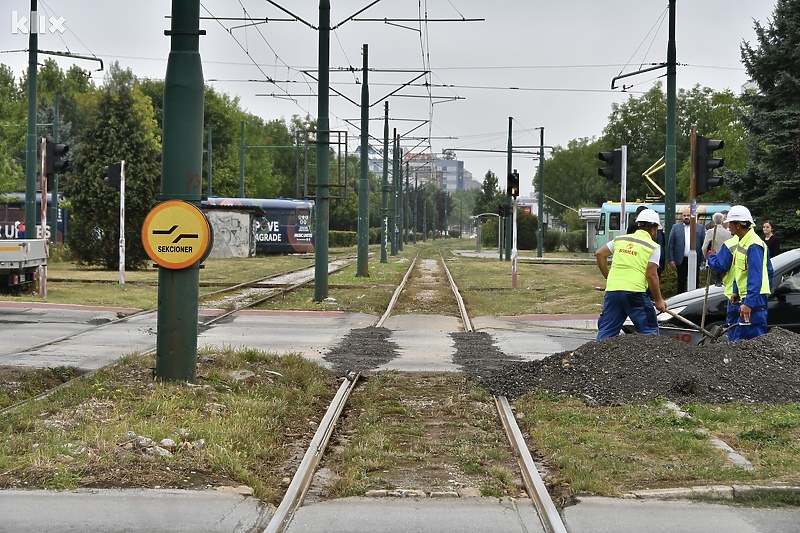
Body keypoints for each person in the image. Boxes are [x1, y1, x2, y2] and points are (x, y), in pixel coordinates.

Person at [595, 208, 667, 340]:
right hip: (635, 293)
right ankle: (653, 358)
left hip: (613, 291)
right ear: (653, 230)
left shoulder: (620, 239)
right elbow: (651, 275)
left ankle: (596, 358)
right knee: (649, 330)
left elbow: (600, 254)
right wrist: (658, 300)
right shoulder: (653, 246)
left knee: (606, 332)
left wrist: (608, 276)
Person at [706, 205, 774, 342]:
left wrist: (748, 303)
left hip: (754, 299)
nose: (728, 226)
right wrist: (736, 291)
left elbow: (755, 277)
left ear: (738, 225)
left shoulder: (753, 245)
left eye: (730, 223)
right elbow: (740, 272)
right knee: (739, 342)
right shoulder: (743, 242)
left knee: (750, 343)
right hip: (747, 297)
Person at [667, 206, 706, 293]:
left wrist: (703, 259)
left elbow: (704, 245)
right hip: (681, 260)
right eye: (684, 215)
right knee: (681, 283)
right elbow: (670, 245)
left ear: (693, 216)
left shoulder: (700, 228)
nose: (686, 217)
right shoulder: (675, 227)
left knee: (695, 283)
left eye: (688, 215)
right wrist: (671, 259)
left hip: (695, 259)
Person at [701, 211, 732, 286]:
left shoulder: (710, 232)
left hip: (713, 261)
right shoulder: (729, 233)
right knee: (724, 285)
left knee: (711, 285)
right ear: (722, 221)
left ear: (714, 220)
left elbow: (704, 248)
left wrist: (707, 257)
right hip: (725, 262)